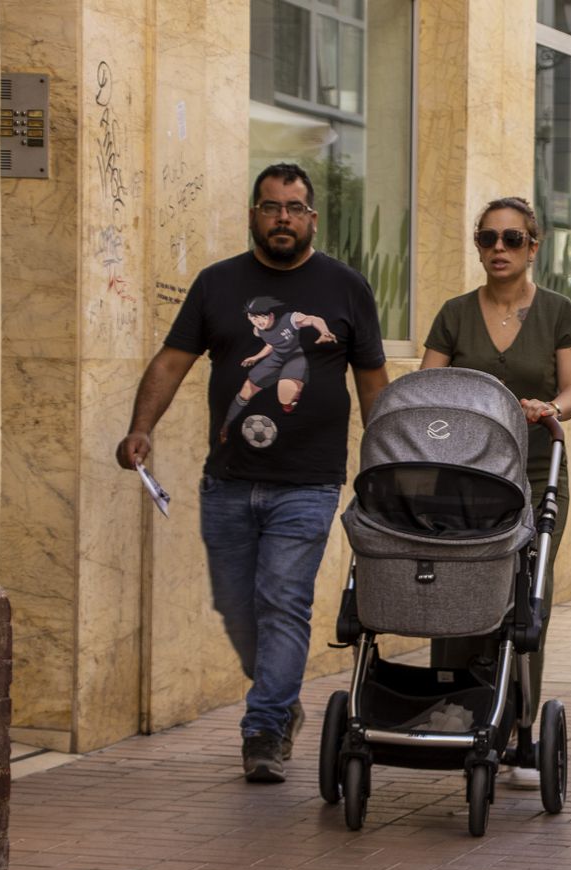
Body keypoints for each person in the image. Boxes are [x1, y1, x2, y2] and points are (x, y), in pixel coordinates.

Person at [115, 162, 389, 783]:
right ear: (253, 215)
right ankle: (280, 697)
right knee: (239, 609)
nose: (283, 218)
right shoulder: (218, 284)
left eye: (294, 208)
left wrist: (386, 461)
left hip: (310, 481)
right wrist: (142, 428)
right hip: (229, 480)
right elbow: (171, 362)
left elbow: (372, 382)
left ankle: (263, 730)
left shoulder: (346, 288)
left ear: (312, 217)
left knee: (282, 603)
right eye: (271, 207)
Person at [420, 196, 571, 789]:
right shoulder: (454, 314)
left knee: (525, 595)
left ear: (533, 246)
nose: (498, 249)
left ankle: (518, 724)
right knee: (457, 585)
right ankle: (454, 711)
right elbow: (426, 387)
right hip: (460, 480)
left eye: (511, 239)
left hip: (535, 476)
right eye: (487, 239)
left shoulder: (558, 311)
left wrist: (549, 408)